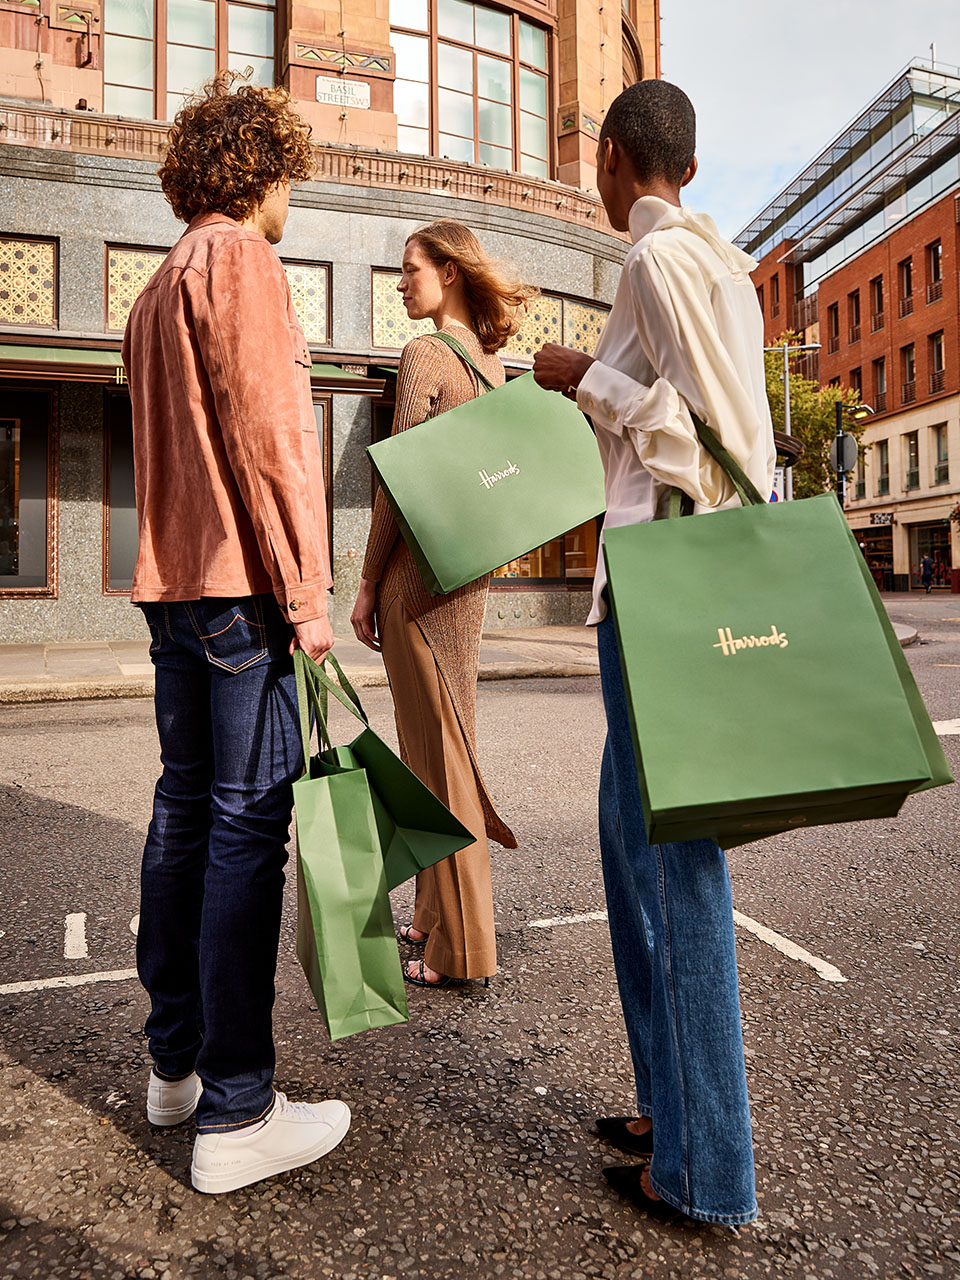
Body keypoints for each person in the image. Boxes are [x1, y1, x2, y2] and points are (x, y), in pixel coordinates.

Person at [533, 80, 775, 1228]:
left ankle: (707, 1165)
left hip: (662, 588)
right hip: (679, 583)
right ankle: (667, 1108)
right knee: (635, 850)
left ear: (615, 156)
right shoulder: (724, 267)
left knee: (676, 867)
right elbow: (721, 426)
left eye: (594, 154)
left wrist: (577, 374)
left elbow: (687, 436)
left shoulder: (656, 262)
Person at [122, 72, 350, 1194]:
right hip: (239, 598)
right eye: (289, 176)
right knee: (245, 831)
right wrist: (307, 597)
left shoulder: (156, 286)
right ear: (259, 170)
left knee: (182, 814)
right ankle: (240, 1105)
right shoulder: (241, 260)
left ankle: (173, 1067)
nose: (291, 198)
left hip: (171, 592)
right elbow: (271, 441)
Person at [351, 221, 531, 988]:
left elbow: (396, 484)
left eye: (409, 268)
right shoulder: (491, 367)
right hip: (466, 583)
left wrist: (362, 583)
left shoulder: (425, 354)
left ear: (449, 272)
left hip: (416, 589)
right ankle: (431, 917)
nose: (400, 282)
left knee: (442, 765)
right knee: (442, 753)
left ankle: (463, 949)